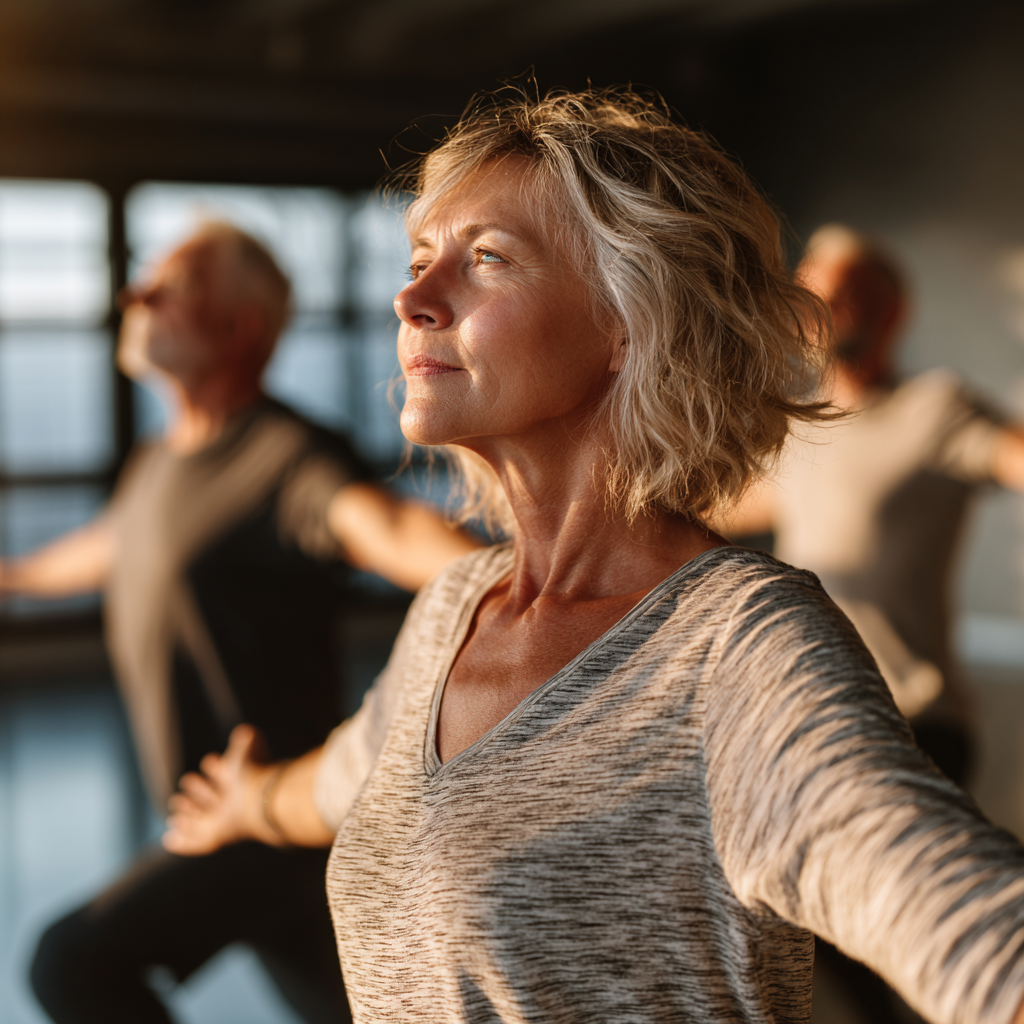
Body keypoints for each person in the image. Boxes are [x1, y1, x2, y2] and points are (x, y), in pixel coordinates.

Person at [164, 90, 1024, 1024]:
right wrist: (251, 800)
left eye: (485, 259)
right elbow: (347, 777)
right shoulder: (456, 606)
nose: (411, 298)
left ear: (628, 321)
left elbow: (978, 934)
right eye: (419, 262)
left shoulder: (736, 652)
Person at [7, 222, 479, 1024]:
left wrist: (518, 582)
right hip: (218, 817)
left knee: (72, 962)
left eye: (170, 286)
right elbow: (110, 548)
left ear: (237, 328)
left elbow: (388, 531)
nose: (136, 296)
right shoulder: (160, 463)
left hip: (276, 823)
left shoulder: (284, 456)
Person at [719, 223, 1024, 789]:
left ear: (891, 312)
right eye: (812, 294)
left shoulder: (936, 409)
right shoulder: (796, 431)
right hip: (804, 719)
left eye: (842, 295)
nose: (821, 307)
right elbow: (716, 514)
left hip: (911, 727)